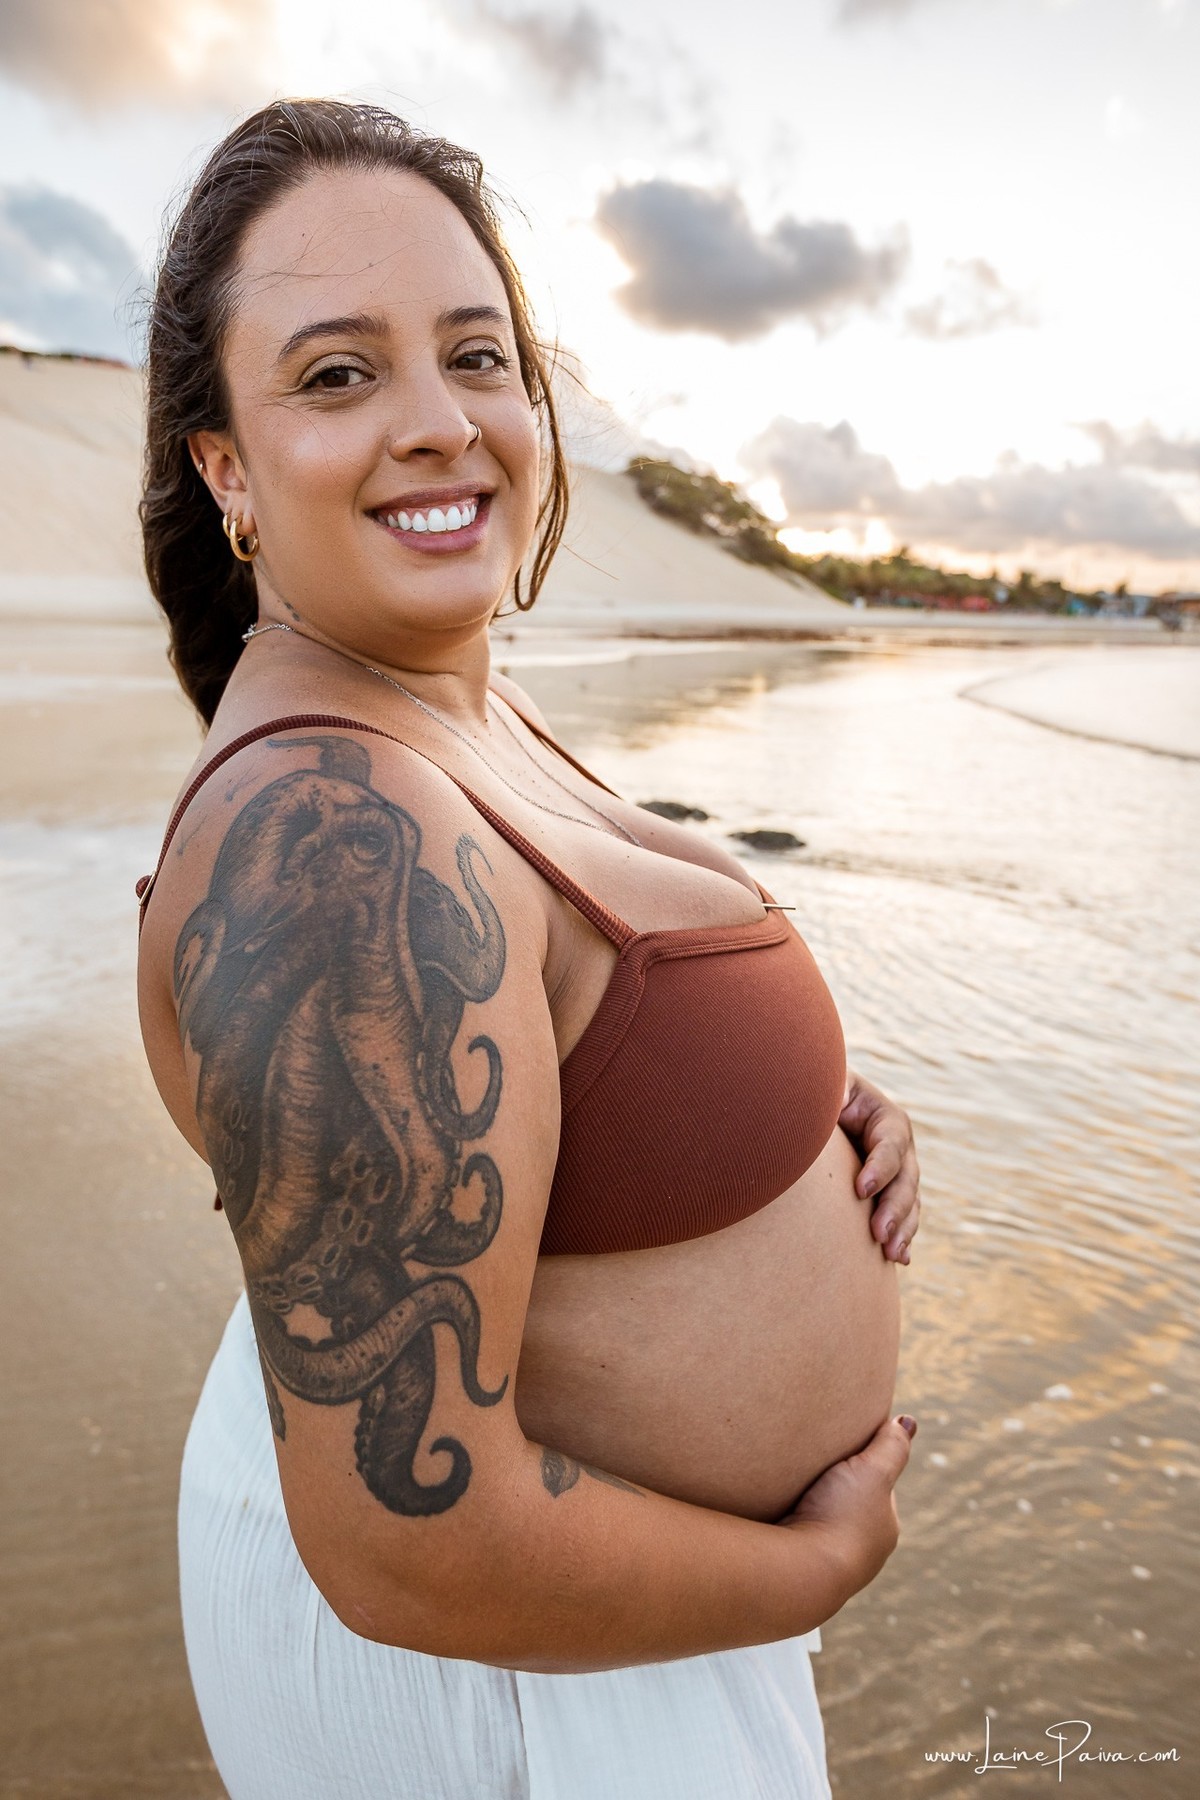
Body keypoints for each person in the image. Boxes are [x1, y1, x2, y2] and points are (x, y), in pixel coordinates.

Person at [135, 98, 922, 1800]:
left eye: (476, 356)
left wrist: (794, 1116)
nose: (441, 425)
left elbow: (560, 1063)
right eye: (340, 376)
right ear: (226, 468)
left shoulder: (449, 706)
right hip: (514, 1682)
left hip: (581, 1642)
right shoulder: (325, 846)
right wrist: (815, 1570)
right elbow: (414, 1543)